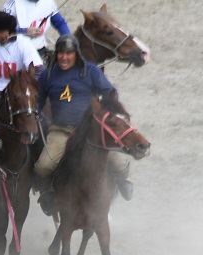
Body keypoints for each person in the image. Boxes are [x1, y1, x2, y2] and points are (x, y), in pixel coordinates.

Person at [34, 34, 134, 216]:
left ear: (76, 54)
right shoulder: (48, 76)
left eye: (68, 53)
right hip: (61, 131)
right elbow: (38, 103)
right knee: (43, 165)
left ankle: (123, 181)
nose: (64, 57)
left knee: (117, 160)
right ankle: (48, 192)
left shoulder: (91, 71)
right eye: (60, 53)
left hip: (89, 130)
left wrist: (109, 105)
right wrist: (34, 117)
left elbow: (109, 91)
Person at [2, 0, 70, 63]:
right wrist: (24, 31)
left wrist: (68, 38)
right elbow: (2, 30)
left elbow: (60, 23)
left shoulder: (48, 2)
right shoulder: (13, 5)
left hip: (41, 51)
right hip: (17, 54)